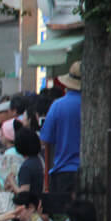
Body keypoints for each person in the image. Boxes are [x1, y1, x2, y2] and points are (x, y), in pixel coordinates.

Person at [39, 62, 82, 196]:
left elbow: (45, 140)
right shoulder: (95, 105)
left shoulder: (58, 106)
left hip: (63, 171)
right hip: (93, 173)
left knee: (63, 215)